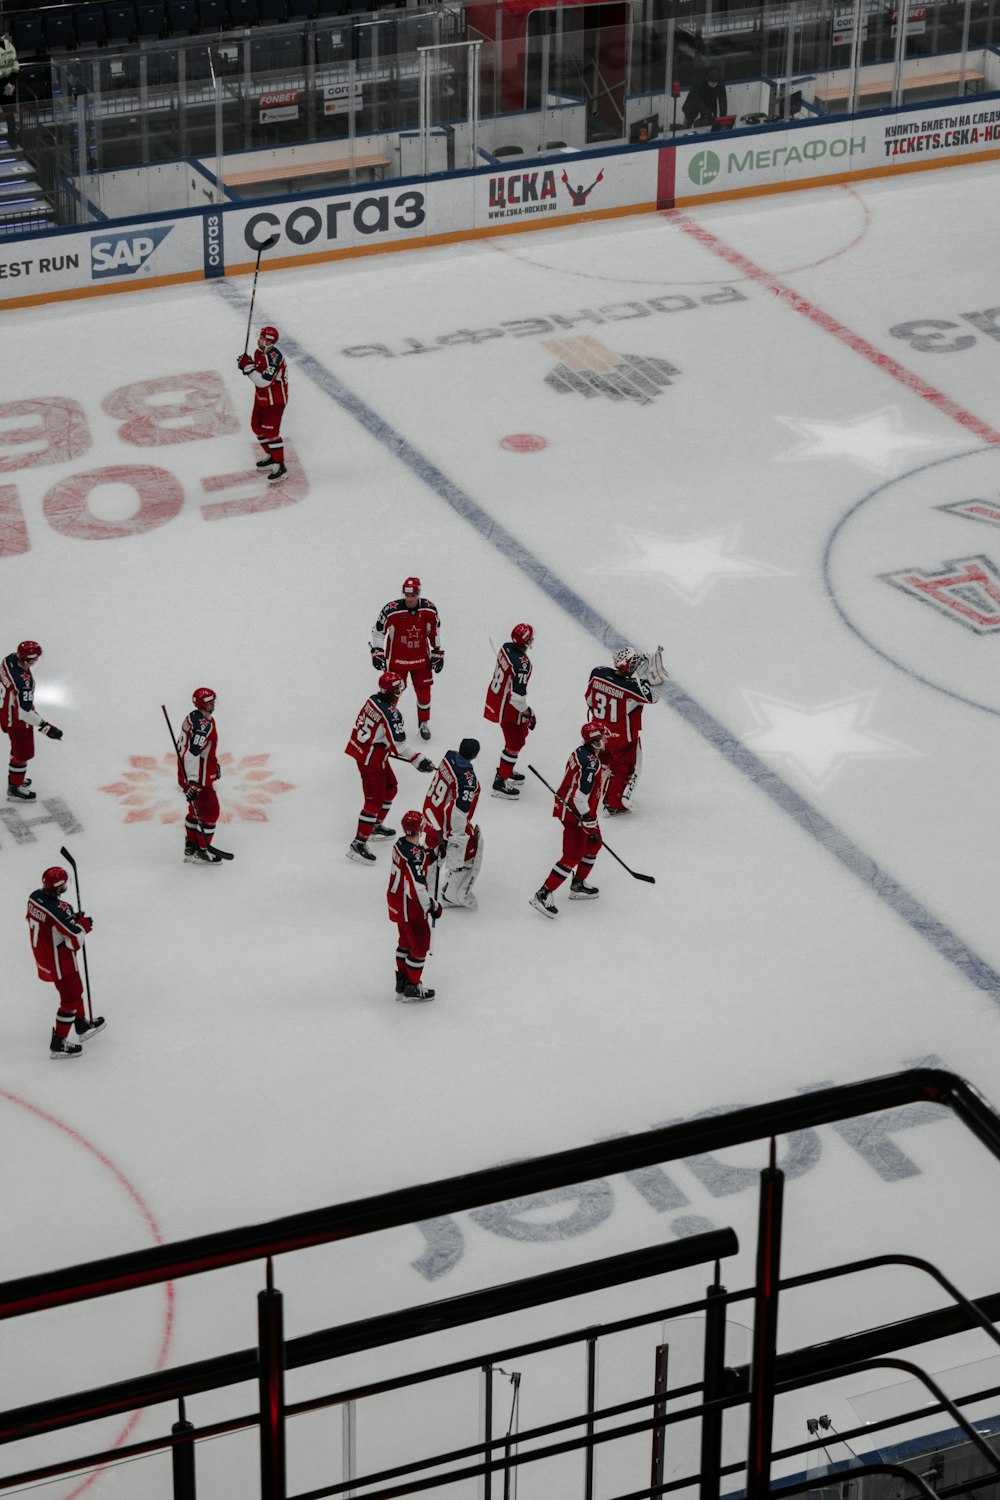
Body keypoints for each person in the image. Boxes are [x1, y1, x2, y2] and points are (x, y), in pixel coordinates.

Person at [345, 671, 434, 864]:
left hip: (368, 751)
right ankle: (358, 843)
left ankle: (375, 825)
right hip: (371, 758)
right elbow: (399, 745)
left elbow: (380, 732)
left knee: (391, 788)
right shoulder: (391, 713)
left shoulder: (373, 699)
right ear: (397, 691)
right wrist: (418, 759)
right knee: (374, 801)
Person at [26, 866, 105, 1059]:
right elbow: (75, 940)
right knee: (71, 998)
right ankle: (59, 1043)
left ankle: (81, 1025)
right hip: (59, 961)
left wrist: (71, 920)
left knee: (75, 990)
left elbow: (53, 924)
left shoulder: (34, 897)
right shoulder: (60, 911)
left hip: (45, 954)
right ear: (60, 887)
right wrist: (82, 925)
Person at [530, 723, 607, 919]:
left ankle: (578, 884)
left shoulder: (581, 752)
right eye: (602, 738)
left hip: (578, 810)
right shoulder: (591, 764)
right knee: (572, 856)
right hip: (575, 814)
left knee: (593, 843)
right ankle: (543, 893)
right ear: (596, 742)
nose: (605, 740)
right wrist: (587, 818)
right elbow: (580, 797)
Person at [584, 645, 667, 814]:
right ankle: (614, 804)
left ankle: (587, 790)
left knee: (601, 760)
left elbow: (589, 700)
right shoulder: (631, 687)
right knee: (625, 769)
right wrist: (651, 674)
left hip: (598, 732)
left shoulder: (597, 673)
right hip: (622, 738)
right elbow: (653, 695)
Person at [370, 577, 443, 741]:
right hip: (397, 662)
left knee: (424, 692)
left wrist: (437, 651)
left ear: (419, 593)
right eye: (407, 595)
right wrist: (378, 652)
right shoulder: (391, 609)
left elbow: (434, 632)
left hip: (421, 661)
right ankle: (387, 722)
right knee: (392, 694)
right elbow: (378, 631)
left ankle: (423, 722)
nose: (410, 599)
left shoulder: (429, 609)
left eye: (413, 595)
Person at [422, 738, 482, 910]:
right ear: (475, 755)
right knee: (469, 854)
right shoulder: (467, 780)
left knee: (430, 851)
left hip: (430, 811)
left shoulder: (449, 755)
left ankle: (421, 885)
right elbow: (459, 812)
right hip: (444, 824)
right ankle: (451, 895)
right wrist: (456, 838)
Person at [388, 809, 442, 1002]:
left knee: (404, 942)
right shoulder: (415, 856)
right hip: (411, 908)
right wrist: (432, 906)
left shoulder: (399, 845)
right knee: (419, 945)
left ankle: (401, 981)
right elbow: (417, 887)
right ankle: (413, 986)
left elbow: (414, 859)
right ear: (419, 829)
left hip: (396, 903)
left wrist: (430, 855)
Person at [1, 640, 62, 803]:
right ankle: (15, 787)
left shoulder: (9, 660)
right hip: (17, 721)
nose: (36, 662)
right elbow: (24, 713)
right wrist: (45, 727)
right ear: (28, 660)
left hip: (5, 711)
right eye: (34, 659)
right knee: (23, 754)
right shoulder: (23, 683)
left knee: (16, 749)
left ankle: (15, 777)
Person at [177, 687, 233, 864]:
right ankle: (201, 852)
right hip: (197, 779)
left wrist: (212, 766)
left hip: (194, 774)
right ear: (203, 703)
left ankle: (190, 848)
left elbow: (202, 751)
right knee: (210, 814)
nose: (213, 704)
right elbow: (192, 754)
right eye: (210, 701)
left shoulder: (195, 717)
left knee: (195, 812)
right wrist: (193, 783)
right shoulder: (204, 726)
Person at [484, 622, 535, 799]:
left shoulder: (506, 647)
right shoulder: (522, 664)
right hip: (508, 707)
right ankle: (500, 782)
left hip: (497, 698)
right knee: (515, 743)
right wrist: (528, 712)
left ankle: (507, 767)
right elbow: (517, 698)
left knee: (520, 734)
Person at [237, 324, 289, 484]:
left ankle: (280, 466)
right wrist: (248, 365)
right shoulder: (259, 352)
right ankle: (272, 457)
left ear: (269, 342)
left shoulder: (275, 358)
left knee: (271, 433)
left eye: (261, 338)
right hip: (261, 398)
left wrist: (248, 368)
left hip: (275, 400)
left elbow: (263, 382)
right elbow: (257, 372)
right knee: (256, 427)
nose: (258, 340)